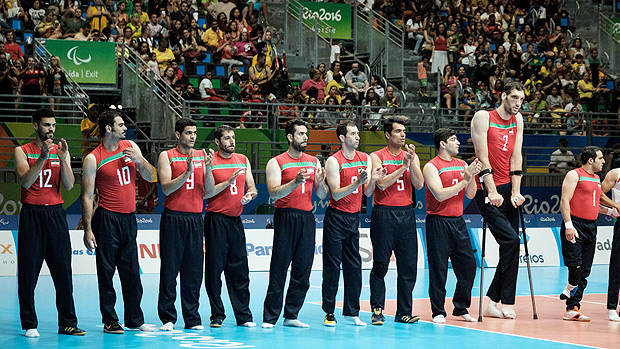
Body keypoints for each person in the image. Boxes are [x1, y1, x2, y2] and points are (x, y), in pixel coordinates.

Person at [81, 110, 155, 334]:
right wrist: (88, 229)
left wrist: (139, 160)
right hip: (107, 219)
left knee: (132, 272)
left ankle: (135, 319)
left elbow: (151, 176)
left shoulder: (131, 146)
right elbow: (86, 195)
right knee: (106, 272)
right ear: (108, 128)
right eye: (121, 125)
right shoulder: (93, 157)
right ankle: (110, 320)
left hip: (129, 218)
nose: (125, 128)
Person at [14, 109, 85, 338]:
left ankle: (67, 323)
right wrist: (43, 157)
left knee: (63, 272)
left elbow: (70, 185)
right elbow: (26, 182)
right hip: (32, 215)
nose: (51, 130)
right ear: (35, 126)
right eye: (46, 125)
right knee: (28, 272)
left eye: (53, 125)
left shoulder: (59, 150)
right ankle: (29, 323)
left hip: (56, 214)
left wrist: (64, 159)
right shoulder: (22, 151)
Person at [262, 119, 328, 328]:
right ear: (290, 137)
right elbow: (273, 193)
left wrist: (322, 181)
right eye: (301, 134)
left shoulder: (314, 161)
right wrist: (295, 182)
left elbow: (322, 194)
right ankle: (270, 317)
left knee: (303, 268)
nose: (305, 137)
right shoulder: (276, 162)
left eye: (306, 133)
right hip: (285, 216)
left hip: (307, 218)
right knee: (279, 267)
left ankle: (291, 315)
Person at [322, 121, 386, 327]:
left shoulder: (365, 159)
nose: (358, 137)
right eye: (353, 133)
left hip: (354, 218)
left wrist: (373, 180)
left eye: (358, 133)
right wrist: (358, 182)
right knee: (332, 267)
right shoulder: (333, 161)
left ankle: (352, 311)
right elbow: (337, 194)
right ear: (342, 138)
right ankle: (329, 312)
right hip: (336, 217)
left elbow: (367, 193)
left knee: (354, 267)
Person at [471, 81, 526, 319]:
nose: (517, 103)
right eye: (514, 98)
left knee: (511, 246)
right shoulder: (483, 117)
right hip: (487, 188)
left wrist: (516, 191)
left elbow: (516, 157)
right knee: (512, 241)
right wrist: (491, 190)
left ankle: (493, 302)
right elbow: (482, 155)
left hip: (507, 188)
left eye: (521, 100)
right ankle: (507, 302)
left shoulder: (519, 119)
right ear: (503, 96)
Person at [157, 118, 212, 331]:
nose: (193, 136)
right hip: (174, 218)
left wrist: (208, 168)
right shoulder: (166, 156)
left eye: (195, 133)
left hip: (196, 219)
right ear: (178, 135)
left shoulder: (201, 155)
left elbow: (207, 190)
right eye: (188, 133)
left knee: (194, 271)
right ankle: (168, 318)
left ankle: (192, 318)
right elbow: (166, 189)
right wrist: (187, 172)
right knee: (170, 269)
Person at [368, 116, 424, 325]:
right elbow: (381, 184)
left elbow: (419, 185)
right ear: (387, 135)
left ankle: (403, 312)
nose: (403, 135)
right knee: (381, 265)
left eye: (404, 131)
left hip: (407, 215)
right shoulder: (376, 156)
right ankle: (377, 310)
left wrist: (412, 164)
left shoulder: (411, 156)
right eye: (398, 131)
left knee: (408, 267)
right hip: (384, 215)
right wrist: (402, 167)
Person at [423, 128, 482, 324]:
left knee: (469, 266)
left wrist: (472, 176)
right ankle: (438, 311)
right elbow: (439, 194)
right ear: (442, 144)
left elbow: (470, 195)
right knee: (439, 269)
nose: (458, 143)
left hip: (458, 221)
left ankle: (461, 307)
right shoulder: (432, 166)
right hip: (438, 222)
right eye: (454, 139)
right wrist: (465, 179)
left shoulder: (462, 164)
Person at [204, 125, 258, 328]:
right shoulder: (211, 162)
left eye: (233, 137)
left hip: (236, 222)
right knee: (214, 270)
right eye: (227, 138)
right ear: (217, 142)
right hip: (216, 220)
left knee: (240, 271)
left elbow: (252, 187)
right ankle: (217, 314)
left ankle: (243, 315)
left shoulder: (243, 160)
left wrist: (249, 195)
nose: (232, 141)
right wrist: (227, 182)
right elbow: (206, 193)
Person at [559, 146, 619, 321]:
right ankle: (570, 289)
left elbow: (594, 204)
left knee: (585, 271)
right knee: (576, 266)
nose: (603, 161)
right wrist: (569, 225)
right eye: (600, 158)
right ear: (591, 160)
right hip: (575, 225)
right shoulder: (574, 175)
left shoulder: (597, 178)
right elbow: (564, 201)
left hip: (591, 227)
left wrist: (612, 211)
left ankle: (573, 307)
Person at [601, 162, 620, 321]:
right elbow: (598, 193)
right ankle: (612, 307)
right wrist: (613, 207)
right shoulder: (615, 174)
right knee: (617, 266)